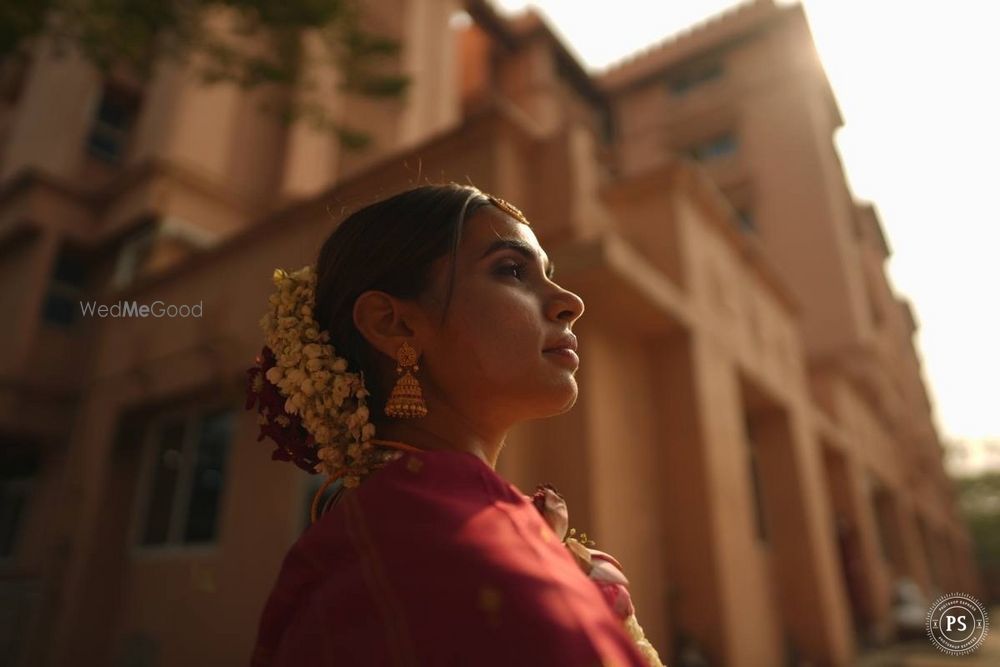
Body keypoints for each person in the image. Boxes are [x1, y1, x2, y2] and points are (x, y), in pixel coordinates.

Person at [246, 184, 665, 666]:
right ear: (394, 324)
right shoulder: (434, 545)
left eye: (549, 274)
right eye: (511, 270)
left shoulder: (427, 526)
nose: (570, 301)